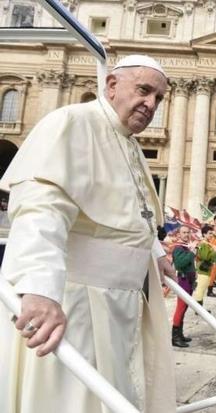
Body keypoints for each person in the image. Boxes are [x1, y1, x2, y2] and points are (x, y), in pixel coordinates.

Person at [0, 55, 176, 412]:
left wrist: (155, 254)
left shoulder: (129, 142)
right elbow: (40, 210)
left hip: (119, 305)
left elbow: (128, 212)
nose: (151, 104)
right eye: (143, 91)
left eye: (158, 98)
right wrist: (39, 289)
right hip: (75, 303)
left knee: (114, 395)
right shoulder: (71, 122)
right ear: (112, 85)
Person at [171, 225, 196, 347]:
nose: (186, 234)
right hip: (183, 280)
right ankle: (175, 337)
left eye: (188, 232)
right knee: (180, 308)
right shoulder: (178, 248)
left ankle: (180, 334)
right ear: (179, 234)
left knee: (184, 308)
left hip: (189, 280)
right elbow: (180, 264)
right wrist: (191, 253)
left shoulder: (186, 247)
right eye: (184, 232)